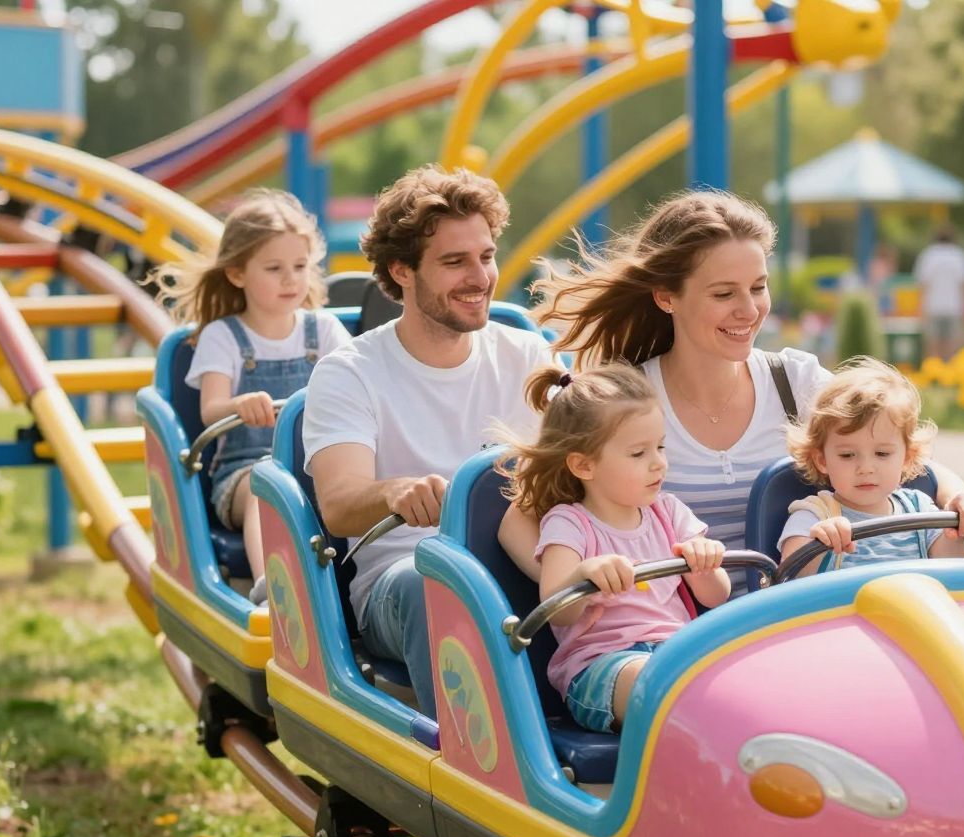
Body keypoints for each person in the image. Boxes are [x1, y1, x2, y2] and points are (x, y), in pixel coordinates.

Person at [501, 190, 964, 586]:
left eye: (758, 287)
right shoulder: (621, 400)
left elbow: (905, 458)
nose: (749, 310)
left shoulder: (797, 383)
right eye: (724, 294)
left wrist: (962, 498)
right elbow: (517, 520)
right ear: (665, 297)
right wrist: (579, 586)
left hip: (791, 628)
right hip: (677, 639)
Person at [302, 165, 554, 715]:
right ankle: (474, 767)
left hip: (525, 556)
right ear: (402, 271)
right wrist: (393, 492)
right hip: (407, 575)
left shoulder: (529, 357)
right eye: (454, 261)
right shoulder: (349, 372)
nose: (480, 276)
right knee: (438, 585)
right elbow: (340, 505)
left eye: (485, 256)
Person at [500, 363, 730, 732]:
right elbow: (557, 609)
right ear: (584, 465)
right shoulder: (569, 523)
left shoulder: (668, 512)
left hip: (675, 650)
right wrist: (584, 574)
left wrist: (704, 565)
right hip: (602, 667)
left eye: (660, 447)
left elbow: (716, 596)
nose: (658, 463)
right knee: (665, 686)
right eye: (638, 454)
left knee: (738, 680)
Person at [164, 188, 351, 604]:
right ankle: (273, 592)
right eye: (274, 268)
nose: (291, 279)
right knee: (265, 484)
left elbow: (350, 394)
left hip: (317, 466)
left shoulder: (323, 331)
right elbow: (211, 409)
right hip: (243, 472)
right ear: (237, 274)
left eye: (300, 266)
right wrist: (239, 406)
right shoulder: (223, 337)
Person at [778, 358, 964, 577]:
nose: (866, 468)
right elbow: (790, 575)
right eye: (847, 455)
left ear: (907, 457)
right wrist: (818, 547)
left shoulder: (919, 509)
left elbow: (955, 571)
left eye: (882, 454)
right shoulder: (814, 515)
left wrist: (959, 529)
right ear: (822, 460)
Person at [914, 224, 964, 358]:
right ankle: (949, 375)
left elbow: (923, 284)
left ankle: (933, 373)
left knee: (932, 347)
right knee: (952, 348)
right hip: (954, 307)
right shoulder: (959, 256)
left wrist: (921, 308)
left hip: (932, 307)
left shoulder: (928, 255)